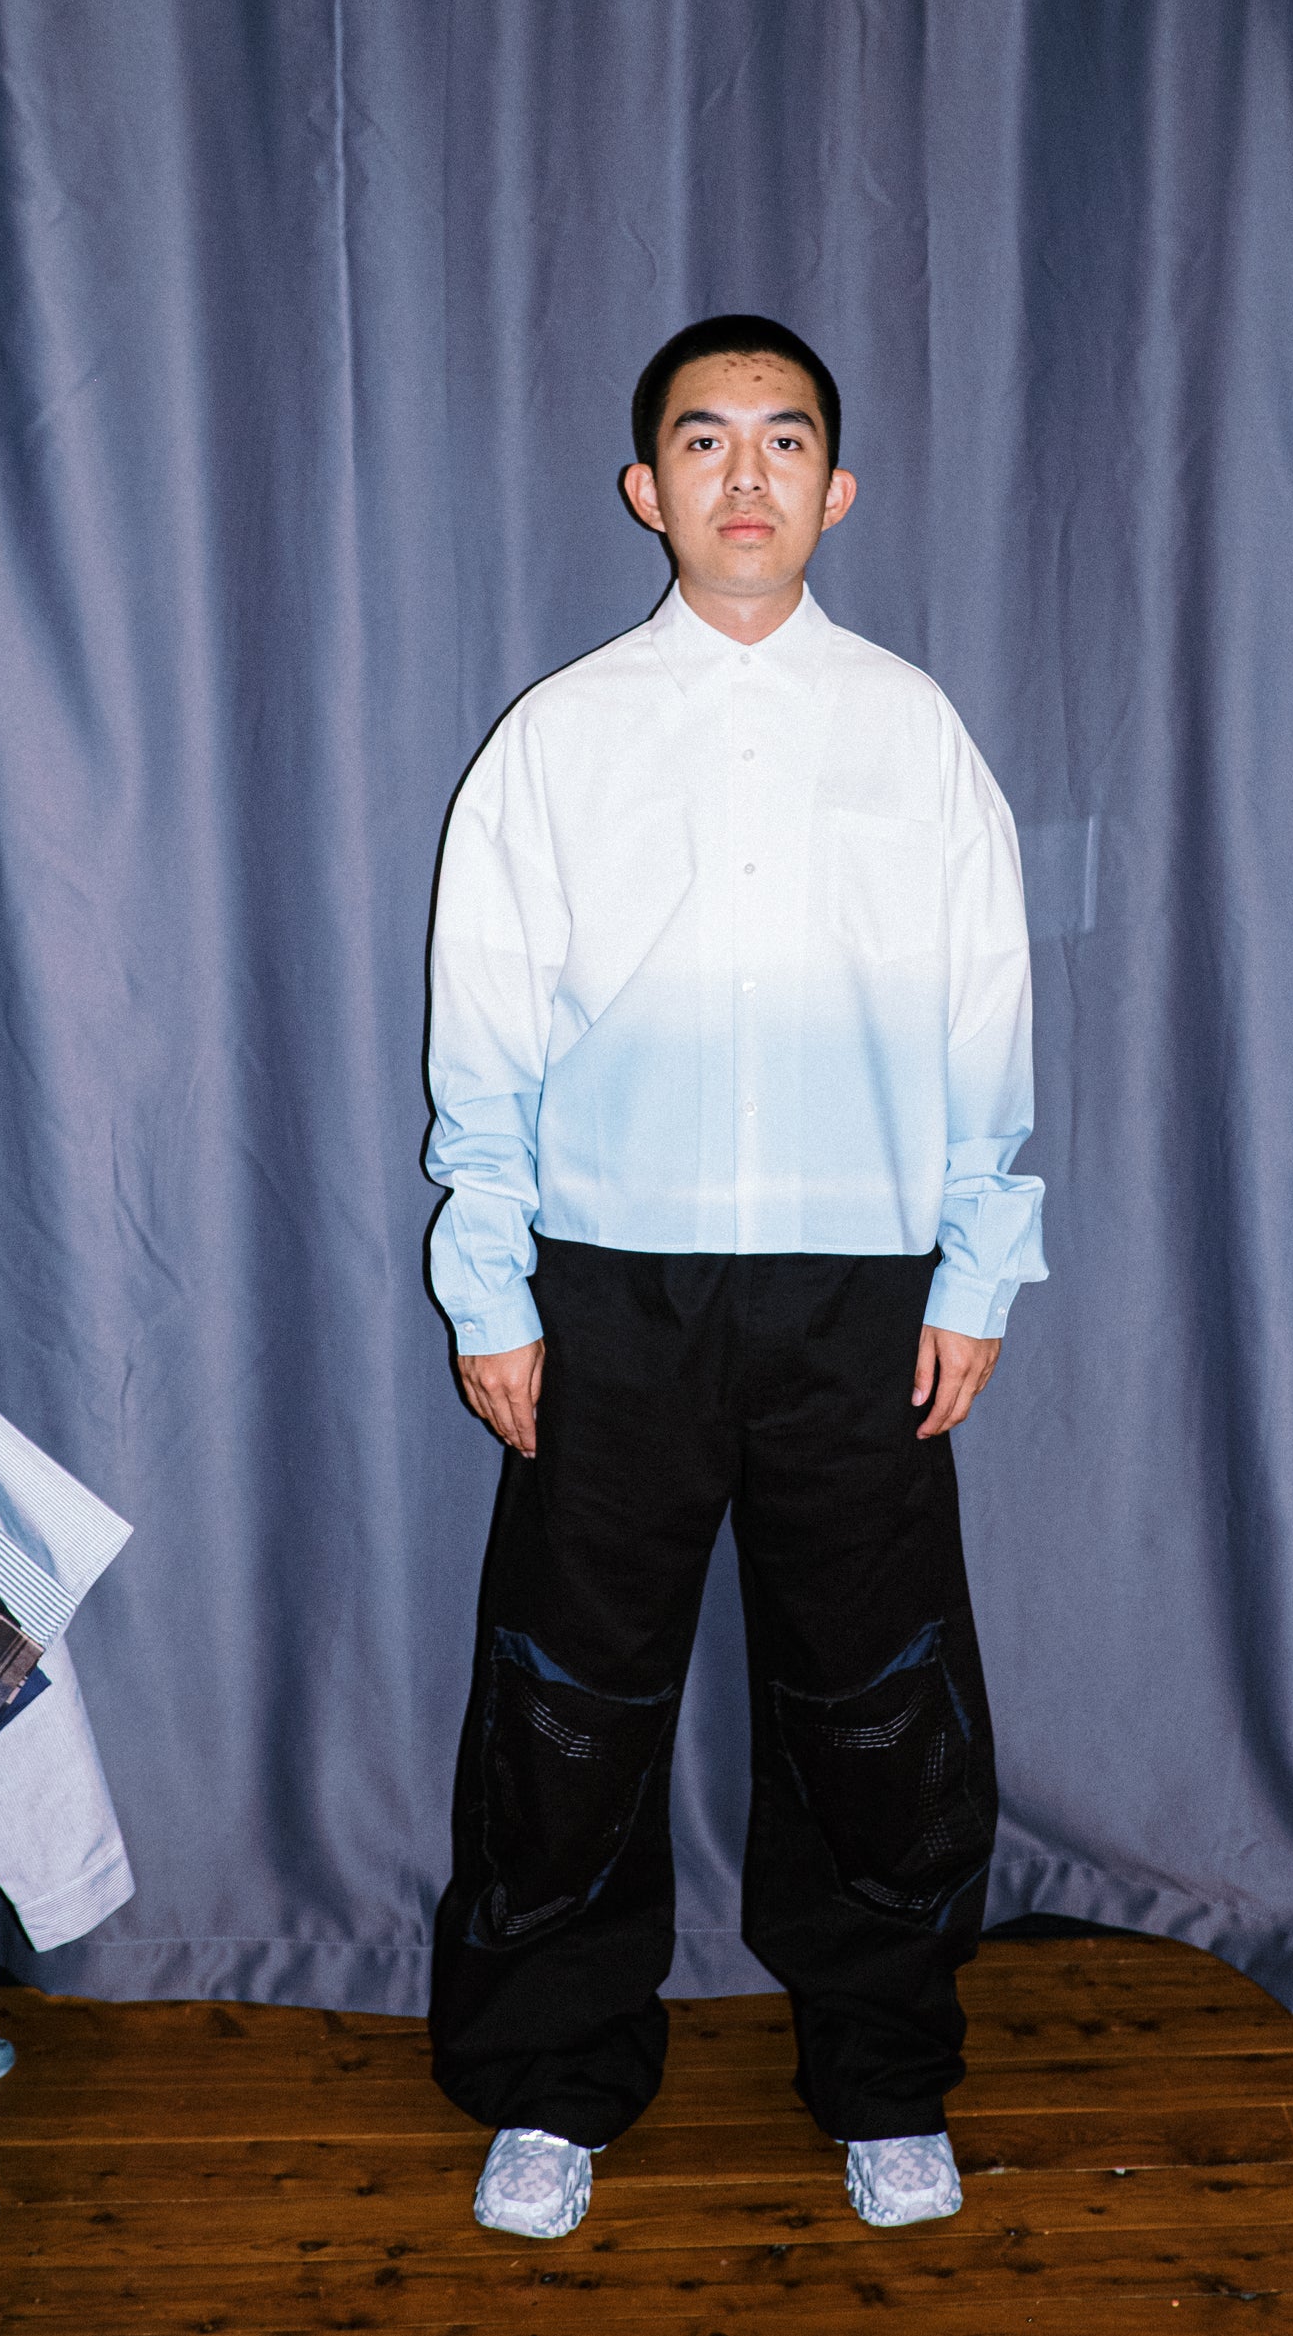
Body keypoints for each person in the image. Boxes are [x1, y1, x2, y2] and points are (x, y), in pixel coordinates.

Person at [424, 313, 1046, 2240]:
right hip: (611, 1295)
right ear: (648, 488)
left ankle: (884, 2075)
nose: (744, 473)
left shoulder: (914, 733)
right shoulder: (556, 739)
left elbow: (985, 1015)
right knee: (567, 1703)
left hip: (862, 1298)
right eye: (704, 441)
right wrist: (490, 1286)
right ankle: (555, 2082)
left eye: (783, 439)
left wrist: (979, 1263)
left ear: (836, 489)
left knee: (880, 1698)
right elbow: (482, 1038)